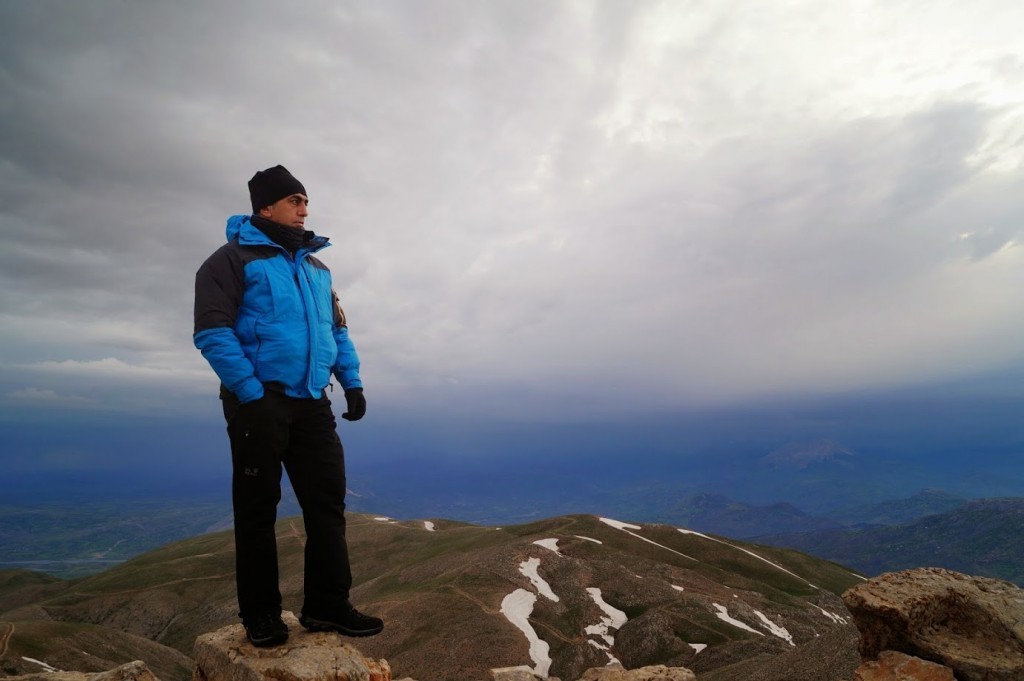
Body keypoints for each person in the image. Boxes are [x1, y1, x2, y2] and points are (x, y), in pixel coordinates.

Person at [193, 165, 383, 647]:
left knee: (327, 504)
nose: (304, 211)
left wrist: (351, 381)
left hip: (312, 402)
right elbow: (212, 332)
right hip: (258, 403)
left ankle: (327, 605)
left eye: (306, 202)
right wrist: (250, 393)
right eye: (295, 201)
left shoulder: (317, 269)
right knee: (257, 509)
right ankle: (261, 615)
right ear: (266, 207)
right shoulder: (229, 261)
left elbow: (336, 330)